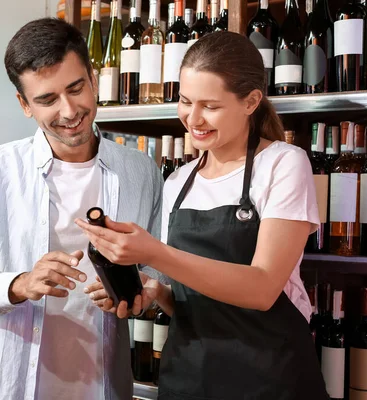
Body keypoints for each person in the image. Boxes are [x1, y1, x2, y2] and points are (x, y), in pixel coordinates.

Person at [77, 31, 329, 399]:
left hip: (269, 377)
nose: (192, 119)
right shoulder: (178, 182)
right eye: (185, 101)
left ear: (251, 101)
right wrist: (155, 292)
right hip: (190, 376)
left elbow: (262, 288)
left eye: (210, 106)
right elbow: (189, 300)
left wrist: (153, 253)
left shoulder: (283, 164)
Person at [0, 17, 164, 400]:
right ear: (24, 104)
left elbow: (155, 270)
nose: (70, 110)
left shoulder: (140, 171)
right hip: (10, 386)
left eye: (76, 88)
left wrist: (138, 295)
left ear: (93, 78)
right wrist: (20, 284)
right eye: (47, 100)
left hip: (105, 386)